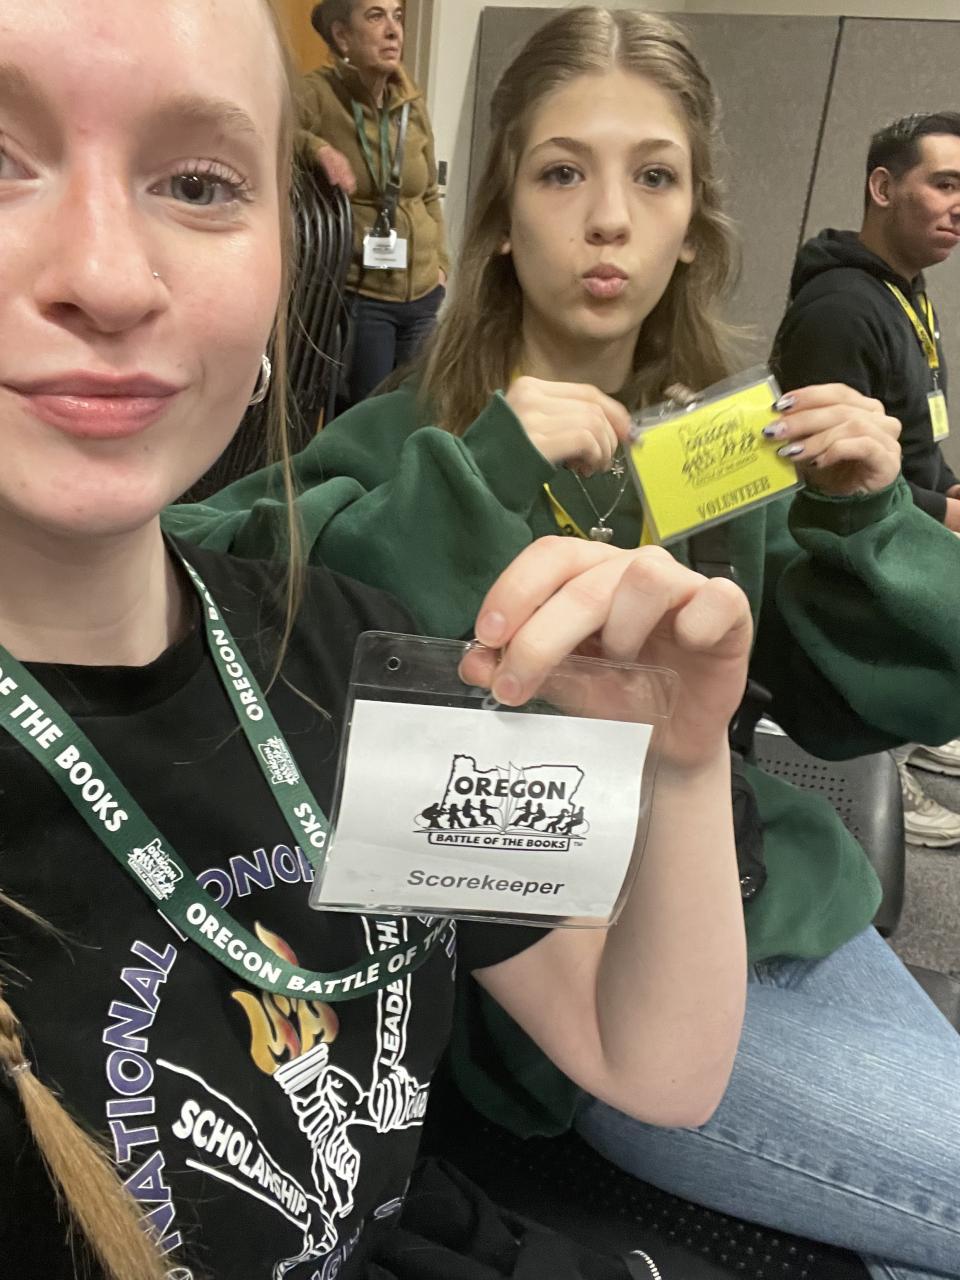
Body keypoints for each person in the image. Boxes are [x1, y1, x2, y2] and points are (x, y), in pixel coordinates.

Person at [169, 8, 960, 1279]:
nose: (607, 220)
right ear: (500, 214)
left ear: (694, 219)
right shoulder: (409, 433)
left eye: (653, 176)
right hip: (589, 986)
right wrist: (474, 473)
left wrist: (874, 522)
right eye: (561, 173)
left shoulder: (718, 449)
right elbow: (197, 581)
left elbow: (871, 691)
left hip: (778, 908)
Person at [0, 2, 755, 1278]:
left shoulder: (353, 649)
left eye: (200, 184)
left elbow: (649, 1060)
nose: (110, 276)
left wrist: (684, 759)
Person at [773, 112, 960, 848]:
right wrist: (942, 518)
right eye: (944, 184)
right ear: (883, 188)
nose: (959, 206)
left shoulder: (908, 292)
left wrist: (947, 491)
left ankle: (911, 735)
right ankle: (881, 759)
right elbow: (828, 474)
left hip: (911, 509)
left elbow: (916, 432)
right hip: (864, 533)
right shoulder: (841, 309)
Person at [300, 0, 449, 408]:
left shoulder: (411, 103)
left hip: (423, 295)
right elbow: (271, 133)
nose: (393, 29)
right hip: (364, 297)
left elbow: (429, 192)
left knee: (415, 410)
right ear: (342, 36)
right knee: (367, 413)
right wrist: (316, 148)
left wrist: (442, 264)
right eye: (376, 16)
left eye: (397, 15)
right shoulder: (318, 93)